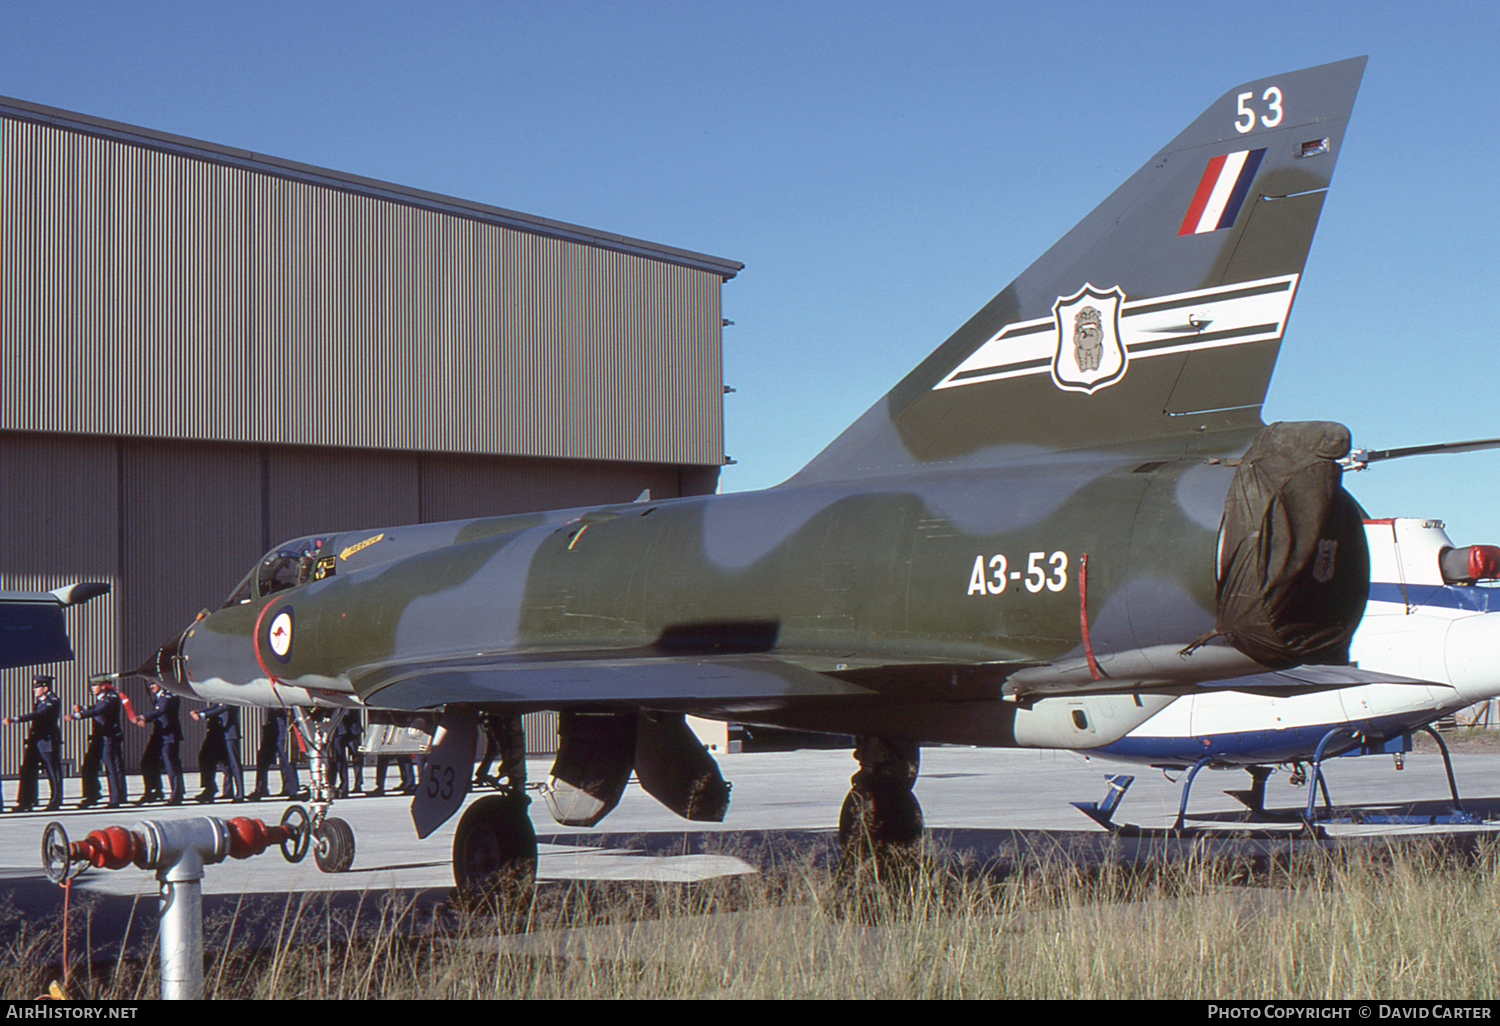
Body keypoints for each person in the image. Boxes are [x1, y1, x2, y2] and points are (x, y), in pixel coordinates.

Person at [4, 675, 63, 812]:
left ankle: (55, 800)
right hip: (35, 740)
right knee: (27, 770)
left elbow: (39, 715)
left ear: (45, 688)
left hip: (47, 740)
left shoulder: (52, 701)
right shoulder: (40, 701)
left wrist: (16, 719)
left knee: (52, 771)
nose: (34, 690)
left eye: (37, 687)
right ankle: (26, 801)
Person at [70, 678, 127, 808]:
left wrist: (78, 715)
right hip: (99, 737)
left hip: (109, 737)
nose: (92, 688)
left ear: (104, 686)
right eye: (91, 685)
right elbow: (96, 707)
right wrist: (83, 708)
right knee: (89, 766)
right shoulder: (103, 697)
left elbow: (100, 710)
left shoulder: (111, 697)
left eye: (95, 685)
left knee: (112, 767)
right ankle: (92, 795)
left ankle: (116, 798)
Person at [133, 679, 184, 805]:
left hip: (169, 735)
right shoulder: (159, 697)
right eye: (149, 684)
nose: (151, 687)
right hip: (159, 735)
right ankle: (154, 791)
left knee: (171, 765)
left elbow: (161, 710)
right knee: (147, 762)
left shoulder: (169, 696)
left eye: (154, 684)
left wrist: (143, 717)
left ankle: (177, 795)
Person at [191, 702, 242, 802]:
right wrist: (199, 711)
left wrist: (202, 715)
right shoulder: (217, 694)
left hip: (228, 732)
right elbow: (214, 705)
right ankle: (215, 789)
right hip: (217, 732)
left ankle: (239, 793)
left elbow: (224, 707)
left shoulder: (229, 692)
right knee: (208, 759)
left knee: (233, 763)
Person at [248, 708, 301, 801]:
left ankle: (292, 790)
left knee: (286, 762)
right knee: (262, 760)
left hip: (281, 732)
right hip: (271, 731)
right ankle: (261, 789)